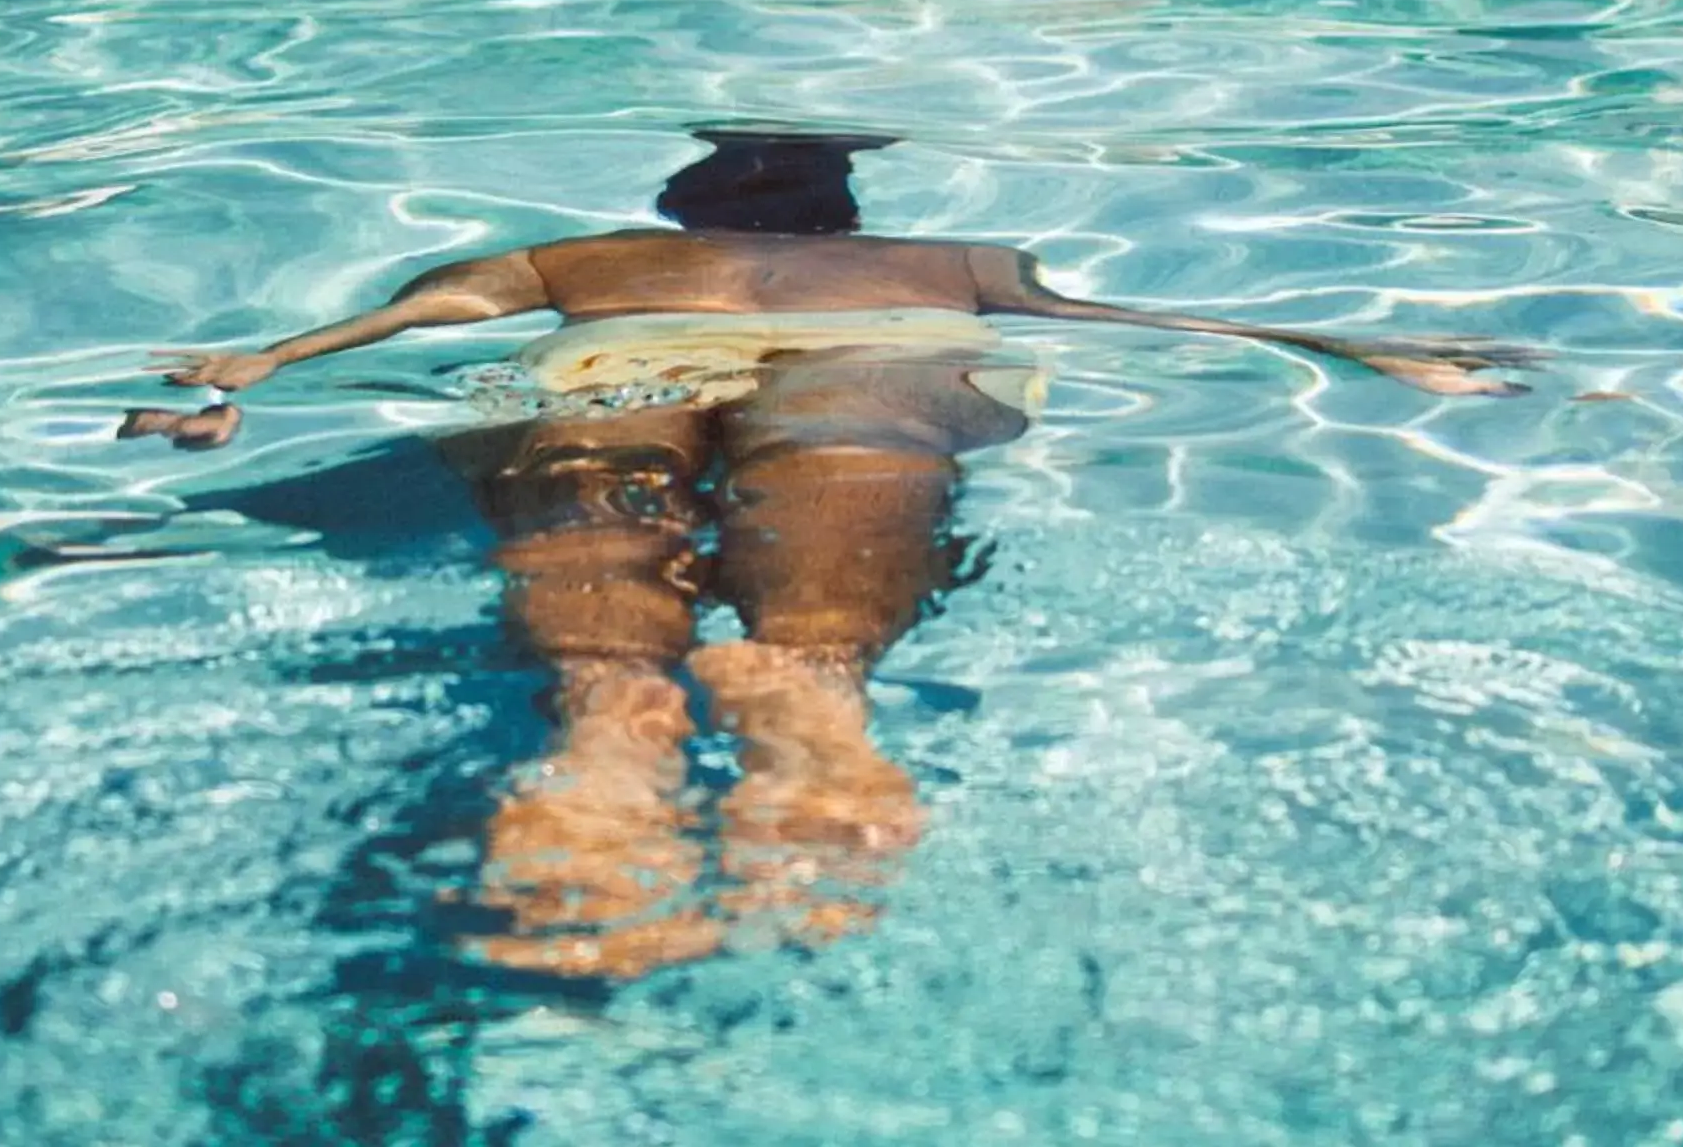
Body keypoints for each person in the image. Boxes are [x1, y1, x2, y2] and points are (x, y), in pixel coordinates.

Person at [123, 130, 1525, 975]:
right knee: (860, 436)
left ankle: (613, 720)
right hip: (884, 344)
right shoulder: (949, 259)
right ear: (849, 214)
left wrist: (254, 368)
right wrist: (1346, 341)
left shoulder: (584, 256)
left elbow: (420, 313)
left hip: (636, 344)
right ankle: (807, 685)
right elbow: (1117, 323)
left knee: (596, 459)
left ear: (682, 209)